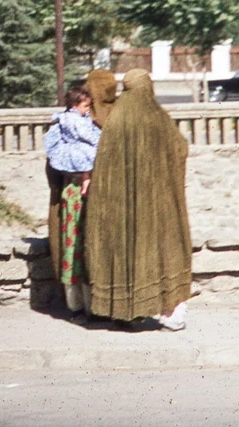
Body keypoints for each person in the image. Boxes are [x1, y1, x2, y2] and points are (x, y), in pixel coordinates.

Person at [85, 69, 192, 330]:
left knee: (123, 251)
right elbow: (180, 149)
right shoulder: (158, 117)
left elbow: (105, 164)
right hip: (158, 203)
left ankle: (124, 313)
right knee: (163, 252)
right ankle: (169, 313)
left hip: (118, 205)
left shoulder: (116, 118)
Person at [46, 70, 117, 297]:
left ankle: (77, 301)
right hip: (96, 192)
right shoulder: (115, 116)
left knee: (73, 243)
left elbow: (52, 163)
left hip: (71, 189)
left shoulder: (70, 121)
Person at [43, 86, 102, 321]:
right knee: (75, 244)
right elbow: (87, 138)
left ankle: (85, 303)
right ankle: (78, 303)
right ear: (75, 105)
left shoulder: (78, 120)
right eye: (85, 106)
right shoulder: (70, 123)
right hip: (75, 192)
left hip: (77, 188)